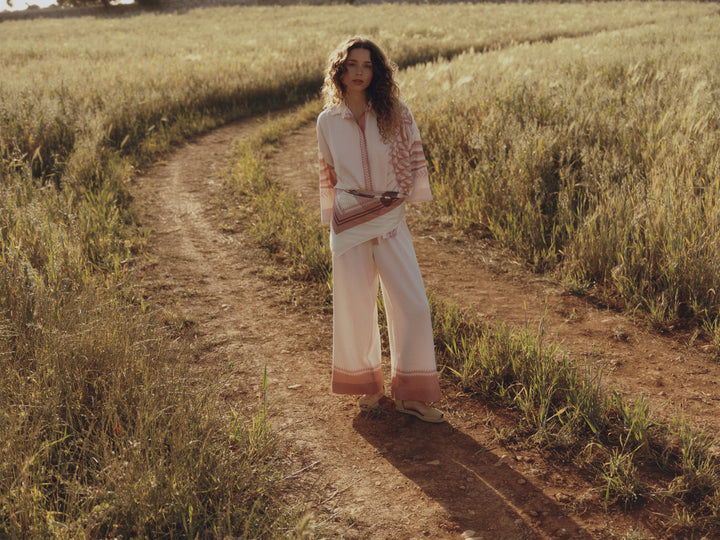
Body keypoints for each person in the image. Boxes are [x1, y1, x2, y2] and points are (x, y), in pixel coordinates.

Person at [316, 36, 444, 423]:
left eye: (367, 65)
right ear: (340, 70)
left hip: (389, 218)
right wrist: (333, 216)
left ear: (377, 72)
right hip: (349, 223)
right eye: (352, 64)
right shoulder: (327, 121)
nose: (359, 72)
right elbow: (329, 175)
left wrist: (399, 198)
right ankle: (367, 388)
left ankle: (412, 395)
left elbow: (412, 162)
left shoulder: (396, 113)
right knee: (354, 307)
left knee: (413, 306)